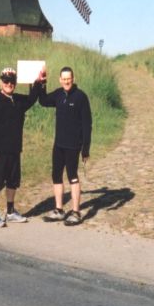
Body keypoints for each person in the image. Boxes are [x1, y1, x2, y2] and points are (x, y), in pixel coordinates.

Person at [0, 66, 43, 227]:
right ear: (0, 82)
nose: (9, 84)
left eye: (12, 81)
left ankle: (10, 212)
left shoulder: (17, 100)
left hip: (15, 149)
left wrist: (37, 82)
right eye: (6, 81)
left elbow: (31, 99)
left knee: (13, 181)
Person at [38, 66, 92, 226]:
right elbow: (43, 101)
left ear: (73, 79)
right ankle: (59, 210)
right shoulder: (58, 94)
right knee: (56, 175)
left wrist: (86, 148)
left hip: (73, 145)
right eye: (64, 79)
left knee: (72, 176)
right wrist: (41, 84)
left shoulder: (81, 97)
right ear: (60, 80)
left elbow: (87, 124)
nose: (67, 81)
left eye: (69, 79)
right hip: (59, 144)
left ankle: (76, 212)